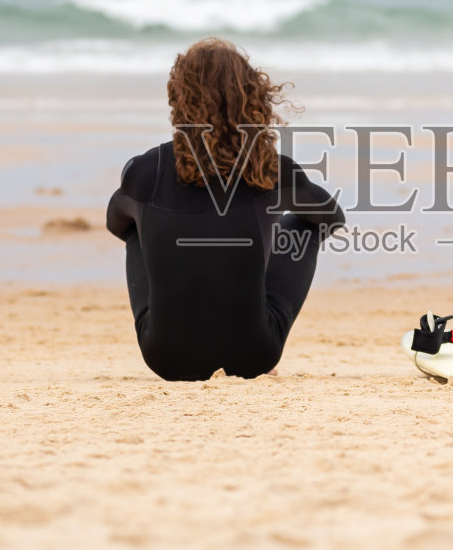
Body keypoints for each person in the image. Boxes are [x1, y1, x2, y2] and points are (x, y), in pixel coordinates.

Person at [106, 38, 345, 381]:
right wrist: (264, 232)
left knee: (137, 229)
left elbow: (116, 224)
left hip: (164, 357)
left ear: (178, 97)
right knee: (305, 226)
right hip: (254, 354)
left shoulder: (145, 171)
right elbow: (332, 217)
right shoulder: (272, 170)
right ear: (252, 97)